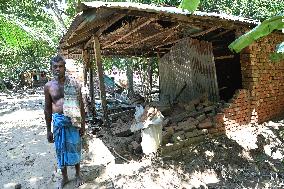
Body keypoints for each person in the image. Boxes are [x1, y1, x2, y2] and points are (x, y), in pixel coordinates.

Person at [44, 55, 85, 188]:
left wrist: (83, 124)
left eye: (61, 66)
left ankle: (78, 175)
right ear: (51, 68)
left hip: (73, 121)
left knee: (75, 147)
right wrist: (48, 130)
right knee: (60, 149)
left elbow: (81, 105)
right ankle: (65, 177)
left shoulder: (74, 84)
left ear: (64, 68)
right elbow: (47, 108)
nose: (58, 69)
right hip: (59, 122)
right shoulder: (48, 86)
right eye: (55, 67)